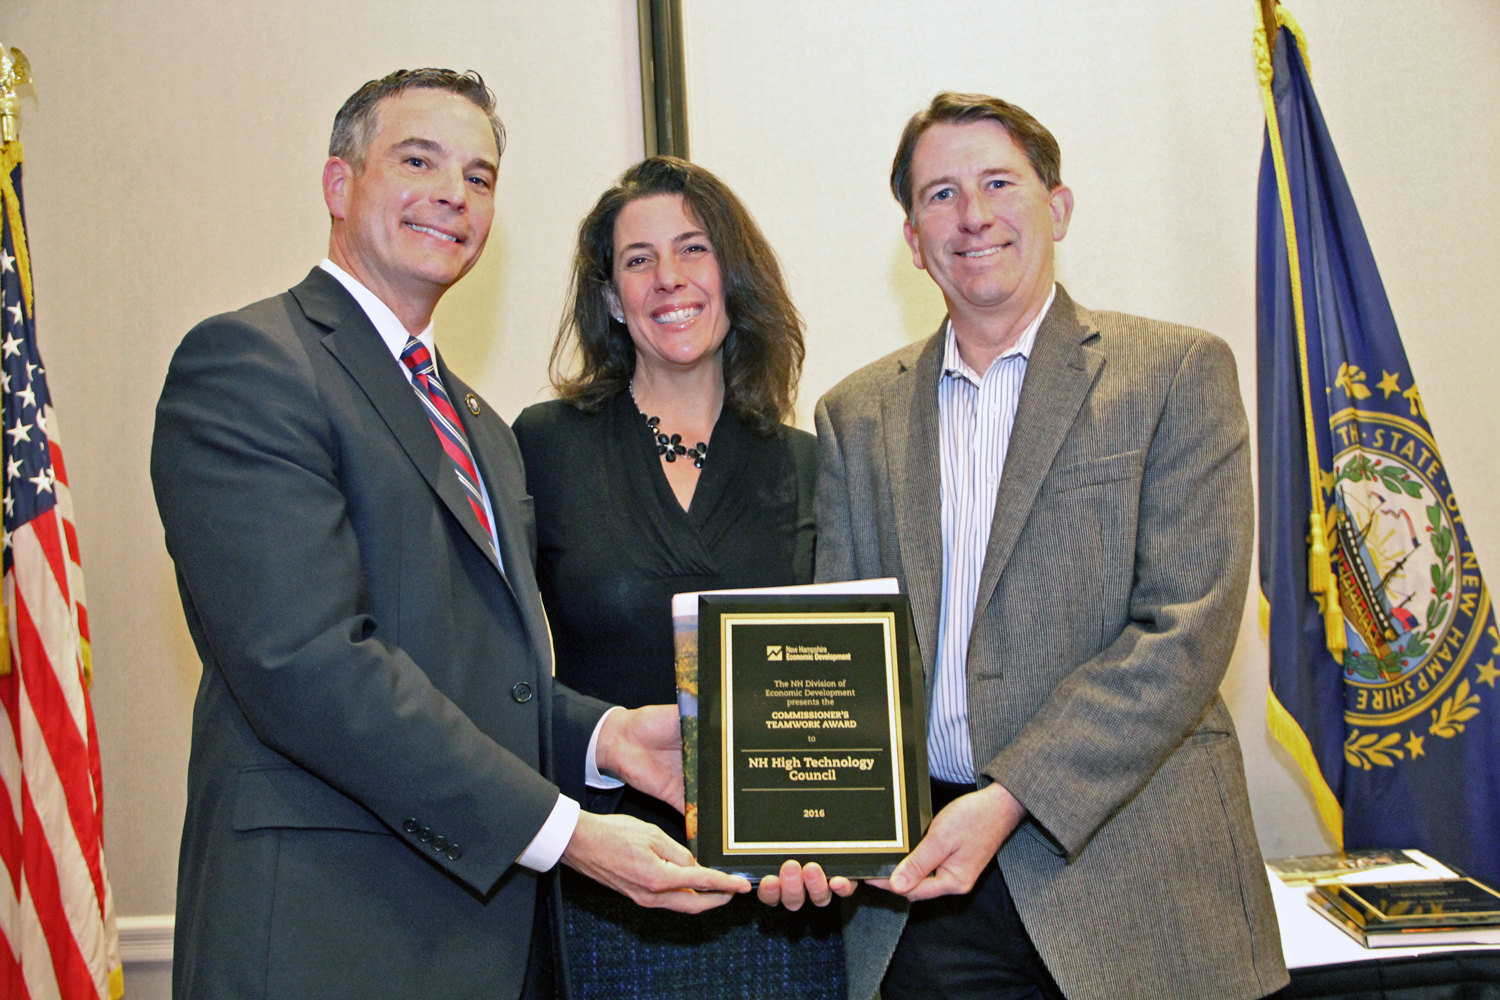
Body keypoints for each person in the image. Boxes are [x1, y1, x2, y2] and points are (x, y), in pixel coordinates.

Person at [150, 69, 748, 1000]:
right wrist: (566, 831)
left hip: (482, 947)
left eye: (478, 176)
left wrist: (607, 738)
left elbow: (476, 675)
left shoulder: (479, 425)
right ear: (339, 184)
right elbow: (310, 665)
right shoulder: (251, 364)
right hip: (323, 941)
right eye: (417, 161)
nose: (453, 194)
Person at [808, 92, 1290, 1000]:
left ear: (1057, 208)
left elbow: (1184, 629)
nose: (973, 214)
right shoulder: (854, 416)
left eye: (999, 183)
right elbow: (840, 653)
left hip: (1132, 875)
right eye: (941, 195)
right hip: (926, 895)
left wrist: (1013, 795)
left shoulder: (1176, 372)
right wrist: (814, 812)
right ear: (913, 240)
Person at [511, 156, 841, 998]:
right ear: (612, 299)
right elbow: (491, 666)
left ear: (733, 275)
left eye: (694, 249)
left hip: (778, 896)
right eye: (639, 259)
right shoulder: (544, 446)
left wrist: (839, 831)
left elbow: (844, 697)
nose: (669, 278)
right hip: (604, 876)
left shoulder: (812, 465)